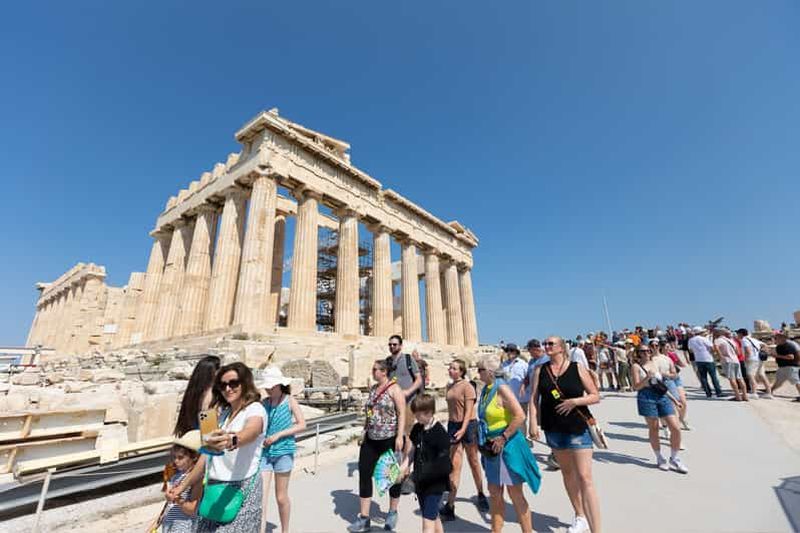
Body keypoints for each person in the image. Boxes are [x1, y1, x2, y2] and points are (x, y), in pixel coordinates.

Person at [529, 337, 602, 533]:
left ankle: (597, 529)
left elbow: (595, 396)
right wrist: (533, 423)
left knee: (585, 477)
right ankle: (580, 516)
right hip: (553, 428)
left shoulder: (576, 367)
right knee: (568, 473)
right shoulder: (539, 370)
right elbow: (534, 399)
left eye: (550, 344)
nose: (546, 346)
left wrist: (574, 402)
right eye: (546, 344)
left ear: (562, 348)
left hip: (577, 427)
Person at [194, 362, 267, 532]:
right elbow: (208, 446)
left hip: (241, 489)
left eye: (233, 383)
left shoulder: (255, 409)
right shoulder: (223, 415)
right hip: (214, 488)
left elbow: (252, 430)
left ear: (245, 383)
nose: (228, 389)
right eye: (223, 385)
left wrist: (232, 440)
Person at [476, 353, 541, 533]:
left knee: (515, 495)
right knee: (495, 494)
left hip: (506, 447)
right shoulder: (486, 389)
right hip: (491, 449)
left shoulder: (501, 388)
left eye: (480, 369)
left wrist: (503, 437)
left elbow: (520, 415)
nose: (477, 373)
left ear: (489, 371)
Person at [349, 359, 407, 533]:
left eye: (375, 369)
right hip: (370, 438)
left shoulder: (395, 389)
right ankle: (364, 518)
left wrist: (400, 436)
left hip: (389, 438)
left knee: (391, 476)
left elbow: (402, 412)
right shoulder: (373, 389)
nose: (372, 372)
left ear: (384, 372)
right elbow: (370, 411)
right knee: (365, 475)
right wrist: (364, 431)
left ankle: (392, 512)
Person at [258, 367, 306, 533]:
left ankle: (285, 530)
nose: (268, 389)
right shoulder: (264, 403)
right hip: (265, 453)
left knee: (280, 496)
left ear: (279, 384)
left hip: (284, 452)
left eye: (271, 386)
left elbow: (302, 424)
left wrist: (279, 435)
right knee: (261, 498)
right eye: (267, 387)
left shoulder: (289, 400)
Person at [440, 359, 488, 521]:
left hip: (468, 426)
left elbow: (469, 410)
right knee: (454, 465)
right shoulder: (449, 386)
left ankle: (481, 493)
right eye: (450, 367)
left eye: (453, 368)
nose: (450, 370)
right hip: (453, 425)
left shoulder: (467, 386)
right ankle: (450, 505)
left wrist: (463, 428)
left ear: (461, 371)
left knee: (473, 461)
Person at [631, 345, 688, 474]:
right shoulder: (635, 366)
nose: (646, 352)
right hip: (646, 396)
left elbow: (660, 385)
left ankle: (674, 458)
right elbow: (636, 386)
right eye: (642, 351)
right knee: (654, 428)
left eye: (648, 350)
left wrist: (674, 399)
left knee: (675, 427)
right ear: (638, 353)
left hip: (662, 396)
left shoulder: (655, 363)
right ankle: (659, 457)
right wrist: (646, 378)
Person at [406, 394, 451, 533]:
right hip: (420, 482)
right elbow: (412, 449)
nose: (416, 418)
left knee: (427, 523)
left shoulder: (440, 433)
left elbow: (444, 463)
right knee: (433, 516)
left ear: (429, 412)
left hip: (435, 484)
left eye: (418, 415)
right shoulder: (417, 428)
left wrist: (430, 472)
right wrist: (404, 466)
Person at [153, 430, 203, 533]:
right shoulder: (176, 477)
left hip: (183, 527)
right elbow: (167, 507)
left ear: (194, 457)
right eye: (174, 457)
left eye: (180, 457)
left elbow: (192, 510)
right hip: (169, 525)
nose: (176, 461)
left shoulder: (196, 479)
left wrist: (176, 500)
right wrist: (153, 526)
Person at [174, 355, 221, 436]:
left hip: (191, 434)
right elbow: (208, 427)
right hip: (204, 439)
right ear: (213, 372)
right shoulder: (210, 394)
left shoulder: (194, 391)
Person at [386, 334, 423, 434]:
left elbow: (419, 379)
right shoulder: (387, 362)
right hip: (391, 404)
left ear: (401, 346)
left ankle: (406, 449)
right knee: (391, 434)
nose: (392, 346)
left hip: (408, 403)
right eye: (390, 344)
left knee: (406, 434)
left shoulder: (408, 359)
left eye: (394, 344)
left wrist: (408, 392)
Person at [660, 341, 691, 430]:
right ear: (661, 348)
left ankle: (682, 419)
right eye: (666, 346)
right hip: (666, 379)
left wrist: (676, 355)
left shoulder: (671, 355)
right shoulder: (658, 357)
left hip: (676, 378)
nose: (668, 348)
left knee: (683, 401)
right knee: (673, 402)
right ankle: (668, 423)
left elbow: (682, 365)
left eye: (669, 346)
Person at [737, 328, 773, 399]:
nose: (737, 335)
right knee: (762, 375)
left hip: (751, 360)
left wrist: (745, 360)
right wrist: (762, 351)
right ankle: (769, 393)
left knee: (751, 376)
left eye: (738, 333)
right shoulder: (753, 339)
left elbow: (748, 351)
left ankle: (754, 393)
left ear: (741, 334)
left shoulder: (744, 340)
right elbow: (765, 345)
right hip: (759, 359)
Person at [687, 327, 723, 398]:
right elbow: (712, 348)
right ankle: (718, 392)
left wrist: (697, 351)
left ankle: (708, 393)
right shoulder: (704, 339)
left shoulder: (691, 340)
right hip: (708, 359)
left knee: (703, 377)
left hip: (698, 359)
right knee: (713, 376)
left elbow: (690, 350)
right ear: (700, 332)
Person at [713, 328, 747, 401]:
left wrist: (721, 356)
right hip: (736, 360)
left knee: (732, 378)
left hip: (727, 360)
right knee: (740, 378)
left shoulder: (718, 340)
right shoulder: (731, 340)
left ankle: (737, 396)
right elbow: (738, 352)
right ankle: (745, 395)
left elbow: (715, 347)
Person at [772, 332, 800, 401]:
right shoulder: (778, 347)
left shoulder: (788, 345)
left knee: (796, 382)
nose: (775, 339)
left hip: (791, 367)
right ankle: (769, 391)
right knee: (778, 381)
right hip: (782, 367)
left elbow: (791, 357)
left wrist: (777, 356)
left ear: (783, 338)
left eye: (777, 337)